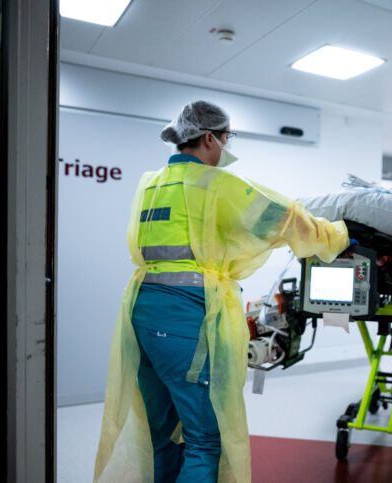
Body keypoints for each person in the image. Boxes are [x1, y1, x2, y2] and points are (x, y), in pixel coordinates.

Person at [93, 101, 349, 483]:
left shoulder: (149, 183)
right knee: (205, 440)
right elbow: (285, 219)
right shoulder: (216, 185)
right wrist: (338, 235)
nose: (227, 147)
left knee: (159, 436)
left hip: (142, 315)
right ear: (210, 138)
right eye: (227, 138)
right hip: (188, 320)